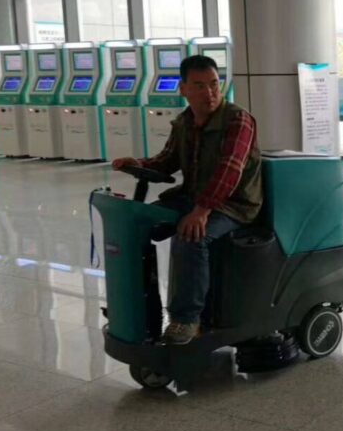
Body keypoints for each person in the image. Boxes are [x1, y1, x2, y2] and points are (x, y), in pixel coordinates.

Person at [112, 55, 262, 345]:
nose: (210, 93)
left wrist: (201, 212)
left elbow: (229, 171)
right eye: (200, 86)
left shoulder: (238, 120)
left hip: (233, 205)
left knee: (191, 236)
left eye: (214, 84)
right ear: (183, 89)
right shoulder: (184, 122)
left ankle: (186, 319)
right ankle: (136, 306)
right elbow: (167, 160)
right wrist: (139, 163)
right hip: (193, 197)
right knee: (135, 225)